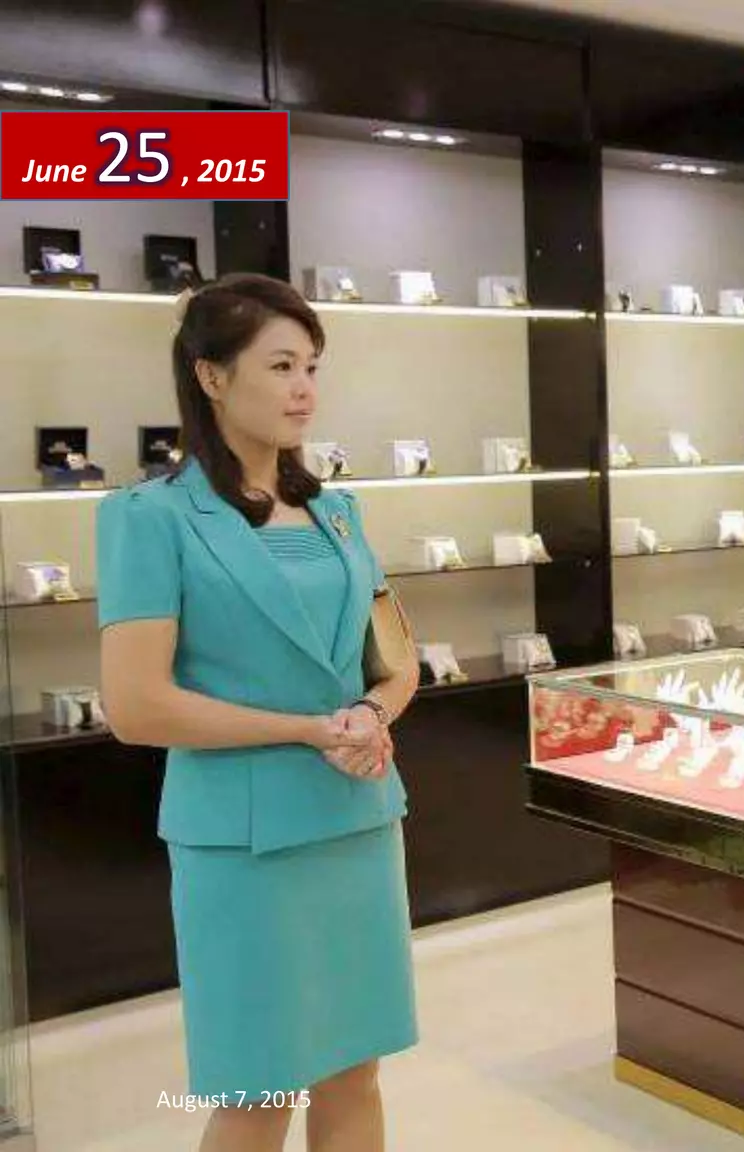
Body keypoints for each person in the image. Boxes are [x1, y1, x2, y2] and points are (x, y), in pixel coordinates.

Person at [97, 273, 420, 1152]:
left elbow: (397, 662)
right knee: (259, 1087)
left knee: (356, 1070)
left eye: (312, 365)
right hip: (242, 843)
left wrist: (369, 713)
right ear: (210, 377)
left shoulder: (339, 514)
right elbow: (136, 706)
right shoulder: (148, 518)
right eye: (281, 365)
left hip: (356, 820)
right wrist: (311, 729)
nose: (304, 388)